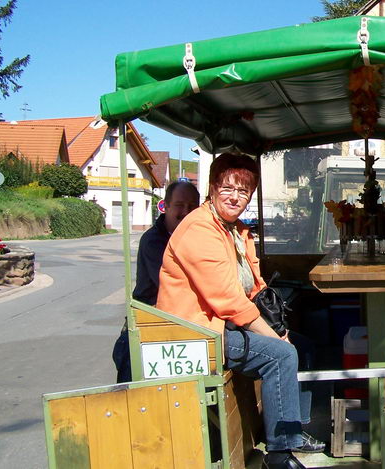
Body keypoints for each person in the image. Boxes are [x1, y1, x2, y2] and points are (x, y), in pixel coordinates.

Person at [156, 153, 319, 469]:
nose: (235, 197)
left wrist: (281, 329)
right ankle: (280, 455)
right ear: (213, 187)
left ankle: (293, 429)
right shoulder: (199, 230)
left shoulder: (237, 231)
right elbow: (228, 301)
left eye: (243, 191)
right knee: (281, 355)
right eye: (228, 188)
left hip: (225, 327)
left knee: (303, 346)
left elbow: (256, 288)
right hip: (196, 333)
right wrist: (276, 340)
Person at [111, 180, 200, 383]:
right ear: (166, 206)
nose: (185, 212)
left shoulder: (195, 236)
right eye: (179, 205)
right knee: (136, 387)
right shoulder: (154, 240)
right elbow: (172, 285)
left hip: (180, 319)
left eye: (191, 207)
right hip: (148, 321)